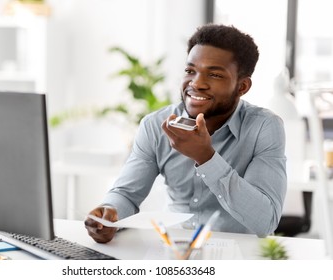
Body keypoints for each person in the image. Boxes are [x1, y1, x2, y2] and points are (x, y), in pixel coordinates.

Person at [84, 24, 287, 243]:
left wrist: (207, 158)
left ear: (242, 86)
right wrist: (109, 213)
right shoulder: (155, 126)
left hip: (237, 254)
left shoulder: (264, 127)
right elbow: (125, 194)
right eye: (190, 71)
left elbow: (265, 221)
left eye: (215, 75)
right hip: (173, 251)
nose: (196, 83)